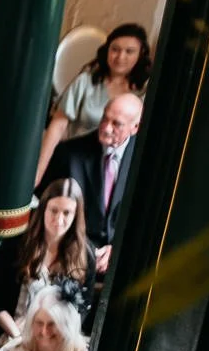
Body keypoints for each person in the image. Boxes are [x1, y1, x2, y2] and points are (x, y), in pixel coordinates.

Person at [39, 92, 142, 274]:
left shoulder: (144, 160)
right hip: (71, 256)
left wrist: (117, 249)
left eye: (116, 124)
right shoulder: (69, 153)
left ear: (135, 128)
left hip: (122, 262)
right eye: (104, 118)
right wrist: (83, 249)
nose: (106, 127)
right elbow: (46, 205)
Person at [36, 23, 151, 184]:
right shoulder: (86, 81)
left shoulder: (145, 93)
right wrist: (38, 174)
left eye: (129, 51)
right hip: (76, 166)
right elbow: (58, 127)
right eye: (115, 49)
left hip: (116, 173)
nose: (120, 57)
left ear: (141, 54)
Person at [0, 180, 95, 337]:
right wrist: (17, 336)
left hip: (59, 340)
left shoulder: (86, 254)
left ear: (76, 216)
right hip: (15, 334)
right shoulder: (16, 245)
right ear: (43, 209)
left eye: (67, 213)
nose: (59, 220)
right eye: (54, 210)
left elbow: (83, 307)